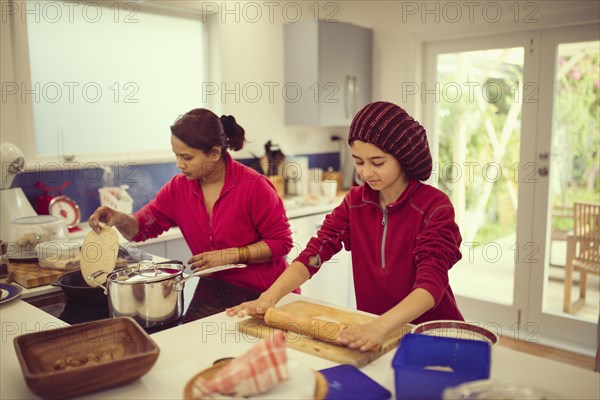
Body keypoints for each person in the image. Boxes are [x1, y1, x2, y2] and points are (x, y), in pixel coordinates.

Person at [226, 101, 463, 351]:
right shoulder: (355, 203)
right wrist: (268, 299)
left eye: (377, 162)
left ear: (403, 157)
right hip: (375, 333)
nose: (366, 172)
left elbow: (431, 286)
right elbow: (313, 254)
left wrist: (380, 327)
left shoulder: (434, 207)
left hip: (433, 335)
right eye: (359, 162)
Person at [88, 108, 293, 292]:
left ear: (214, 153)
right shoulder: (178, 189)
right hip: (214, 291)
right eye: (176, 155)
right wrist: (120, 219)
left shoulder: (254, 187)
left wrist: (231, 255)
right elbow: (140, 228)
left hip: (266, 294)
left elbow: (281, 243)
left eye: (187, 157)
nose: (179, 164)